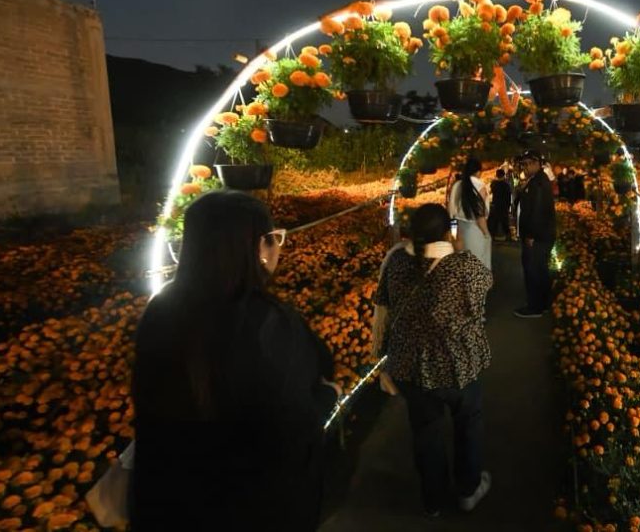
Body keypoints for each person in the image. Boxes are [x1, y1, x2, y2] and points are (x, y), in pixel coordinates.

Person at [132, 191, 338, 531]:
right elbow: (295, 423)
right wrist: (329, 395)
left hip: (169, 503)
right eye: (274, 238)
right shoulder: (268, 323)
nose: (279, 248)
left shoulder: (160, 310)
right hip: (249, 506)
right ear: (258, 248)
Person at [374, 204, 494, 517]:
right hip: (458, 364)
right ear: (446, 232)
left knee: (426, 431)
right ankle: (468, 489)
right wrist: (459, 250)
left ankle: (433, 500)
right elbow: (484, 290)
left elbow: (383, 308)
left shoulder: (396, 261)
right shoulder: (462, 265)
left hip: (410, 366)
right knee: (468, 422)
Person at [514, 150, 556, 318]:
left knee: (533, 271)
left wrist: (531, 235)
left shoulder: (538, 183)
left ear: (536, 163)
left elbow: (537, 211)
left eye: (526, 164)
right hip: (541, 236)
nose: (524, 167)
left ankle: (535, 307)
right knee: (540, 270)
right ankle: (543, 303)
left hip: (537, 237)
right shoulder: (537, 180)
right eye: (523, 164)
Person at [448, 157, 492, 269]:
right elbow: (479, 215)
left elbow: (452, 214)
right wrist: (486, 234)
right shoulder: (479, 186)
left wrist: (454, 235)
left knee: (463, 267)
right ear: (478, 172)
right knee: (478, 266)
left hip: (459, 230)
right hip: (475, 231)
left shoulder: (456, 186)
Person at [489, 168, 513, 240]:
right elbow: (508, 196)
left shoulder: (494, 184)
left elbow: (492, 191)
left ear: (497, 175)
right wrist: (509, 205)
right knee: (505, 221)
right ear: (503, 175)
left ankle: (492, 236)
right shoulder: (506, 185)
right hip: (504, 205)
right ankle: (508, 237)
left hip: (496, 204)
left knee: (495, 221)